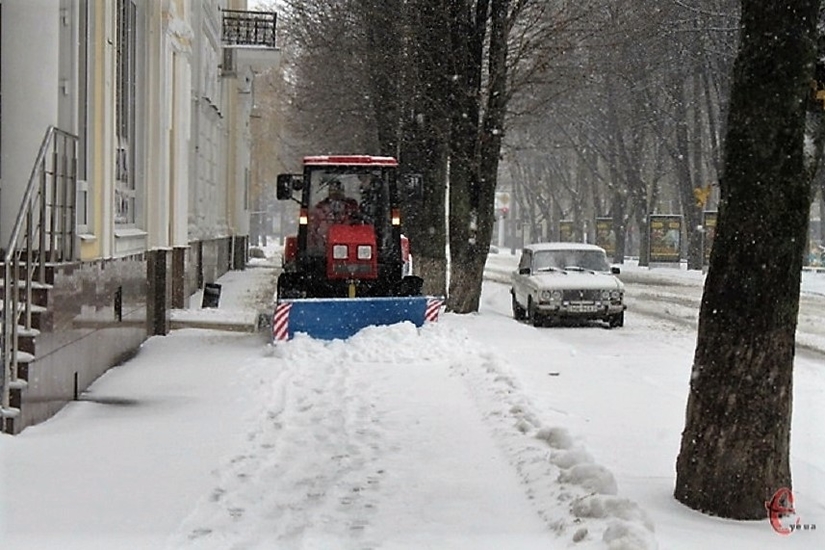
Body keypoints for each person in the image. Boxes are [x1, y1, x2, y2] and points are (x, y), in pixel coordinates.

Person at [308, 179, 360, 253]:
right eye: (333, 191)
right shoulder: (319, 210)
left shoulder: (352, 209)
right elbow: (312, 230)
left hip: (350, 248)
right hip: (323, 250)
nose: (336, 195)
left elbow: (358, 227)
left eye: (338, 191)